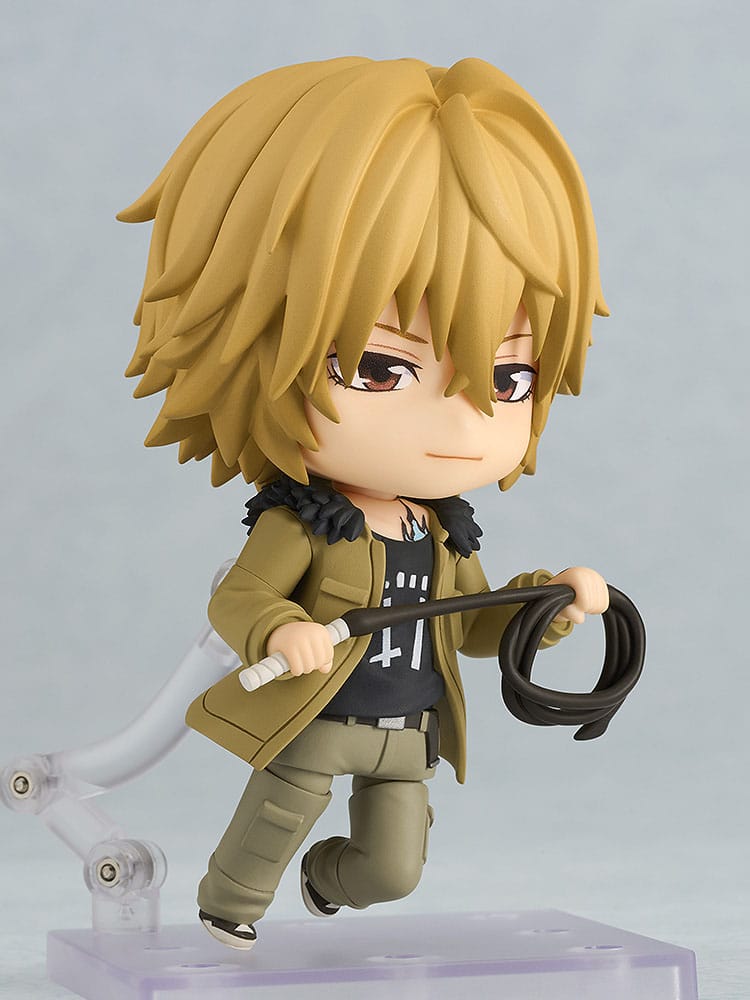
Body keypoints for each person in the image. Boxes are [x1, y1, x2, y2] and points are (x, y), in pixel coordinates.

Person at [118, 56, 610, 950]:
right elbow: (239, 596)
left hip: (407, 724)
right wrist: (280, 629)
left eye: (508, 378)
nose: (461, 422)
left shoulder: (440, 530)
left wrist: (551, 605)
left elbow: (473, 623)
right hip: (318, 714)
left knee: (395, 868)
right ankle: (228, 906)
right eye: (381, 367)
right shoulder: (306, 523)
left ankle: (328, 881)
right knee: (277, 816)